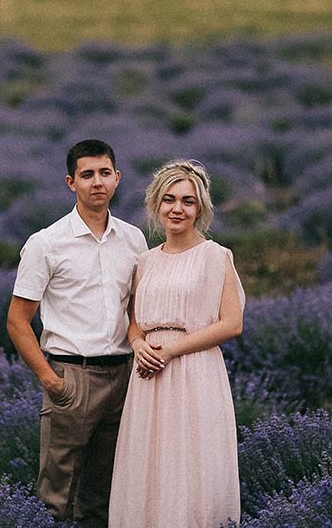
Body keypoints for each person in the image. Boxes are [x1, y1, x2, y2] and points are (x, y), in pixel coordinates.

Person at [7, 139, 148, 527]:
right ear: (71, 182)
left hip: (123, 377)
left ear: (117, 178)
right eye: (87, 175)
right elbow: (18, 320)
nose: (97, 182)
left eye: (104, 173)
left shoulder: (134, 239)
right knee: (56, 498)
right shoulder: (46, 244)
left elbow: (136, 307)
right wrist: (50, 380)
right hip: (72, 378)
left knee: (104, 497)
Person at [109, 159, 245, 528]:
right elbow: (134, 325)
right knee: (150, 466)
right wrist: (138, 346)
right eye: (169, 199)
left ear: (200, 208)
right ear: (156, 204)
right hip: (148, 376)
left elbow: (232, 324)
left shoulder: (216, 256)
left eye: (187, 201)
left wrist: (170, 350)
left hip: (195, 373)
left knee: (191, 465)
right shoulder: (145, 262)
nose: (177, 209)